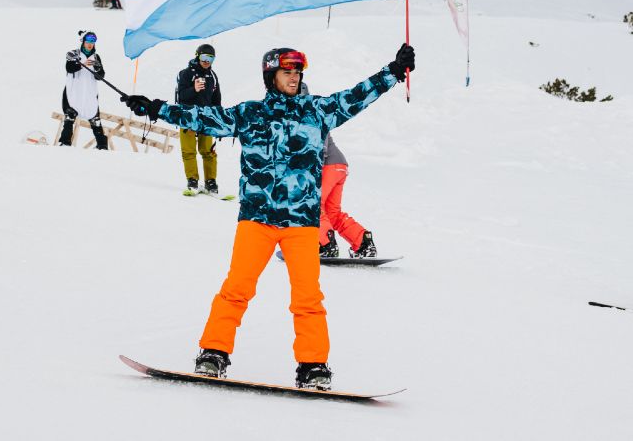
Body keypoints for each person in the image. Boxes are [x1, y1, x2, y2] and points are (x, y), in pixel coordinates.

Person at [122, 43, 415, 390]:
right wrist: (156, 109)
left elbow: (355, 97)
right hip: (256, 221)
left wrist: (393, 72)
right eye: (287, 71)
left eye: (297, 72)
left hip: (302, 224)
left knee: (308, 299)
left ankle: (313, 366)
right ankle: (213, 353)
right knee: (236, 289)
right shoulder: (249, 114)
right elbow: (202, 118)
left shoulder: (317, 111)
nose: (294, 76)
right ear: (270, 75)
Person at [300, 83, 375, 259]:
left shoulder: (308, 114)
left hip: (328, 165)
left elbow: (321, 146)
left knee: (312, 205)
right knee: (332, 212)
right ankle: (363, 241)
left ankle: (325, 244)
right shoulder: (312, 111)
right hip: (339, 167)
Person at [175, 44, 221, 195]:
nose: (207, 61)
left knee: (208, 151)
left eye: (210, 58)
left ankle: (210, 181)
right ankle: (192, 180)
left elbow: (216, 99)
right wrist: (193, 89)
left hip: (206, 118)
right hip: (188, 117)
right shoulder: (186, 74)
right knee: (188, 151)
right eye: (204, 57)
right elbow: (182, 96)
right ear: (197, 56)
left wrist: (217, 117)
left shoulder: (212, 76)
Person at [59, 30, 108, 150]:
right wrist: (82, 64)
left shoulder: (96, 57)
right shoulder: (73, 54)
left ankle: (102, 146)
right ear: (83, 42)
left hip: (89, 93)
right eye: (88, 41)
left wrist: (97, 69)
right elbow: (69, 68)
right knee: (70, 117)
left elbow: (100, 77)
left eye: (93, 42)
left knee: (95, 119)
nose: (90, 44)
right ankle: (65, 143)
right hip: (74, 92)